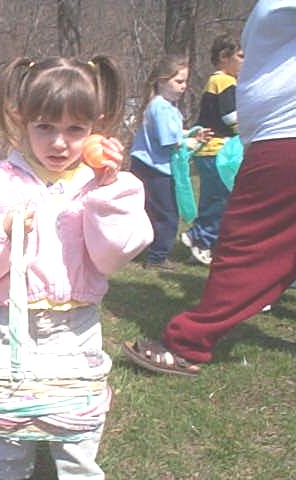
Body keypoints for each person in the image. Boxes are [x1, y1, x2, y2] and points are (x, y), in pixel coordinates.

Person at [0, 56, 153, 480]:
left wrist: (108, 192)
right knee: (12, 411)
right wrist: (3, 231)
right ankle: (10, 473)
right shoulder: (0, 181)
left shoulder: (102, 183)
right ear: (22, 121)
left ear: (97, 126)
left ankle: (78, 473)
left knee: (77, 414)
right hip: (13, 322)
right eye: (44, 127)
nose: (59, 142)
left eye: (75, 129)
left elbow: (114, 253)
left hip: (77, 323)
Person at [122, 0, 296, 376]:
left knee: (244, 240)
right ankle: (170, 252)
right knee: (182, 213)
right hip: (265, 141)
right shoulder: (162, 105)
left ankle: (189, 340)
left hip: (285, 139)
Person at [129, 54, 211, 270]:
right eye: (179, 81)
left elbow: (173, 133)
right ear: (162, 80)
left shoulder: (162, 105)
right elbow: (168, 141)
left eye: (185, 81)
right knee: (167, 215)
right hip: (155, 169)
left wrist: (189, 134)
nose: (184, 86)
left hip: (146, 166)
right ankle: (157, 258)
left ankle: (140, 248)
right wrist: (189, 142)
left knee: (150, 211)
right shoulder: (162, 107)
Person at [180, 34, 244, 265]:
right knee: (221, 199)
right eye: (240, 56)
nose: (244, 61)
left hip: (208, 152)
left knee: (211, 199)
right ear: (224, 57)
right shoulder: (225, 81)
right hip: (217, 152)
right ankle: (198, 236)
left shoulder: (215, 81)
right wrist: (249, 130)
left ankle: (203, 246)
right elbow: (230, 117)